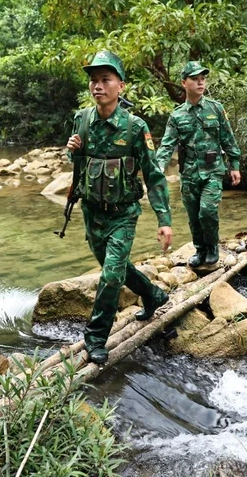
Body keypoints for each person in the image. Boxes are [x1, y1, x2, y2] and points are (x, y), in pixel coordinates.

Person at [66, 50, 173, 365]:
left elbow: (154, 177)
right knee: (118, 268)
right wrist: (73, 152)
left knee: (111, 276)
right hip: (92, 213)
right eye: (93, 80)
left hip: (123, 216)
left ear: (121, 86)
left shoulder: (135, 128)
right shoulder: (81, 120)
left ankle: (96, 336)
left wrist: (164, 220)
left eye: (105, 79)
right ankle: (153, 295)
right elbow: (80, 165)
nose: (98, 86)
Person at [156, 60, 241, 267]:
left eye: (203, 79)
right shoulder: (177, 116)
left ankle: (212, 247)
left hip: (213, 171)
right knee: (194, 216)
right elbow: (167, 145)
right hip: (190, 174)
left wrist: (235, 165)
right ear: (184, 83)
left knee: (207, 212)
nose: (200, 83)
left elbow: (228, 138)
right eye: (195, 79)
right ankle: (200, 250)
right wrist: (157, 168)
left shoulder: (216, 108)